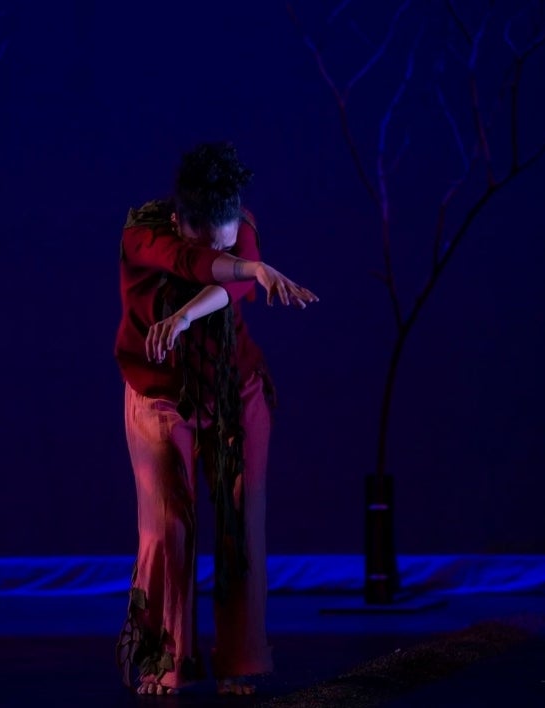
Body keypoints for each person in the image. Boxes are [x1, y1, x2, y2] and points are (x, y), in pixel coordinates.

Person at [114, 142, 318, 696]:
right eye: (211, 241)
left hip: (234, 391)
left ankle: (241, 661)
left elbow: (232, 284)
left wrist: (188, 312)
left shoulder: (237, 221)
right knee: (167, 531)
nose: (227, 246)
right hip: (161, 400)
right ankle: (165, 658)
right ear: (181, 221)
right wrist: (243, 265)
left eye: (233, 241)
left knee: (240, 525)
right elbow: (194, 263)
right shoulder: (144, 236)